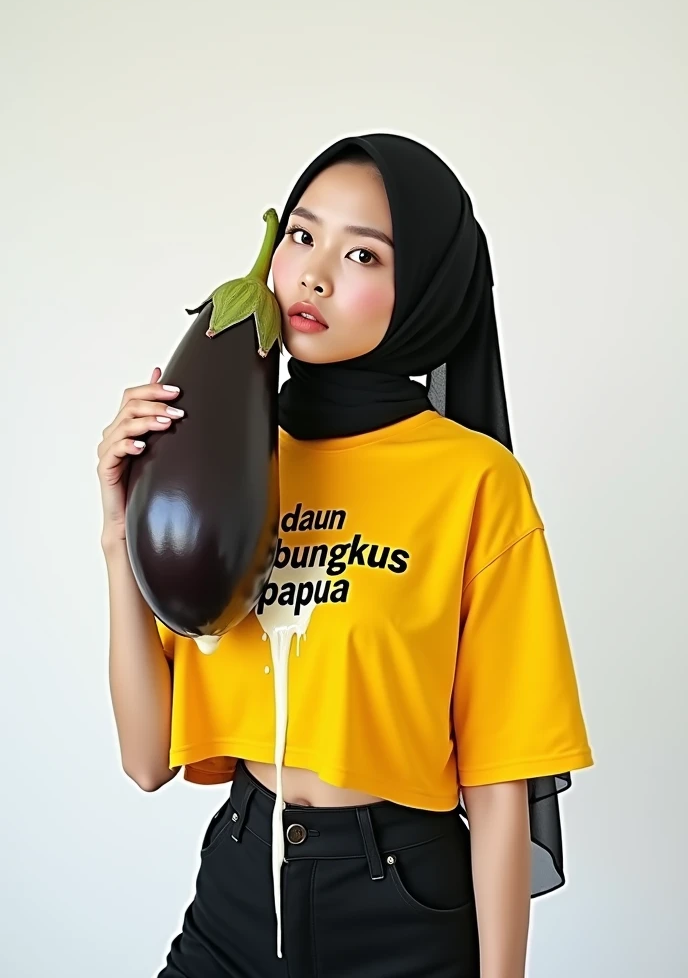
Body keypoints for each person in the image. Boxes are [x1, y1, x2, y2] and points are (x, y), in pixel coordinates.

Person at [98, 133, 594, 978]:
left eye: (362, 252)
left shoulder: (474, 482)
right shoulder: (227, 461)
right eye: (301, 235)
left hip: (403, 904)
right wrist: (120, 532)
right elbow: (147, 760)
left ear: (425, 291)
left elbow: (500, 780)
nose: (314, 274)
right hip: (237, 891)